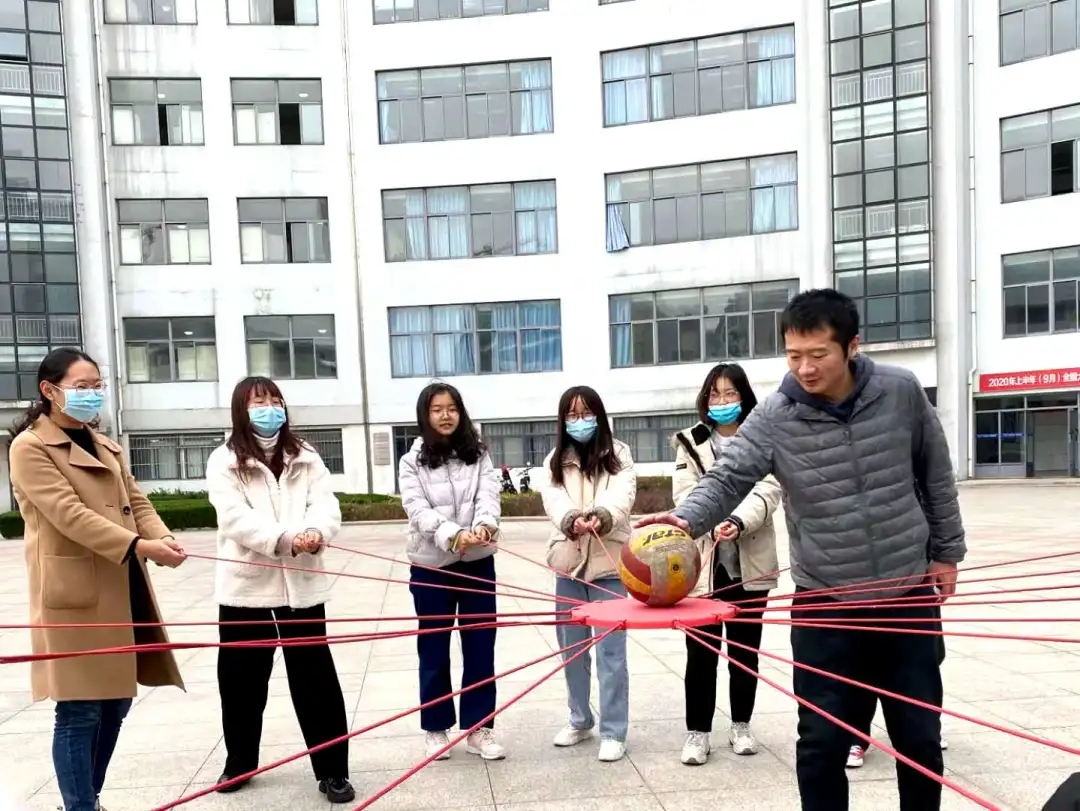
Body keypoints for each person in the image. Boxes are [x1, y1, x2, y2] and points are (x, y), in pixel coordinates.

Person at [636, 289, 966, 811]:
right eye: (794, 355)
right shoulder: (775, 415)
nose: (805, 368)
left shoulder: (901, 391)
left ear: (852, 346)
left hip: (905, 593)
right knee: (820, 743)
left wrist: (946, 553)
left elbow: (936, 476)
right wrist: (685, 518)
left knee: (919, 738)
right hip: (824, 602)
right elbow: (727, 477)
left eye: (818, 354)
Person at [8, 347, 187, 811]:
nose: (92, 395)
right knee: (79, 708)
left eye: (97, 386)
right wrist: (140, 546)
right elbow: (69, 515)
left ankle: (88, 796)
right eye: (81, 387)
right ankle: (81, 806)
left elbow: (136, 501)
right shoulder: (30, 447)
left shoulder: (104, 444)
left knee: (117, 702)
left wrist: (163, 537)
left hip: (121, 584)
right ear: (49, 390)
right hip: (74, 594)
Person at [205, 376, 354, 803]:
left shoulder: (305, 455)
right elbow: (233, 518)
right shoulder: (224, 460)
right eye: (258, 402)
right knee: (241, 683)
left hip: (302, 586)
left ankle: (332, 770)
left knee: (316, 680)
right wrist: (287, 539)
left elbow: (325, 504)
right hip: (246, 589)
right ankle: (240, 762)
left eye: (275, 400)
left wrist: (316, 531)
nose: (269, 408)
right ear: (241, 410)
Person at [673, 363, 780, 766]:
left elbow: (769, 489)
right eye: (714, 394)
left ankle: (741, 725)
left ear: (744, 397)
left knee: (744, 651)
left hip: (750, 562)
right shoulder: (690, 441)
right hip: (703, 565)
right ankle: (698, 732)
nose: (722, 401)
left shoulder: (762, 436)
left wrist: (737, 519)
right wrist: (707, 518)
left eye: (730, 393)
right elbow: (685, 493)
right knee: (700, 652)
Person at [398, 382, 505, 761]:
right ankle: (435, 728)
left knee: (480, 646)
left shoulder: (478, 454)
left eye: (452, 408)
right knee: (433, 648)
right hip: (431, 565)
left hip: (477, 563)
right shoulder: (411, 461)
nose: (445, 416)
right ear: (425, 416)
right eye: (437, 409)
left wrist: (485, 526)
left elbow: (488, 496)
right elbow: (417, 509)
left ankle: (480, 727)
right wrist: (452, 534)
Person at [541, 385, 636, 763]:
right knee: (572, 652)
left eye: (586, 413)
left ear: (599, 415)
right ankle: (580, 719)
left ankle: (614, 731)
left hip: (609, 567)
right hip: (569, 566)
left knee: (612, 654)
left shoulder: (619, 454)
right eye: (572, 415)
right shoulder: (555, 460)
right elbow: (553, 499)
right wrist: (571, 519)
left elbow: (623, 495)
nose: (579, 421)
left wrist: (602, 515)